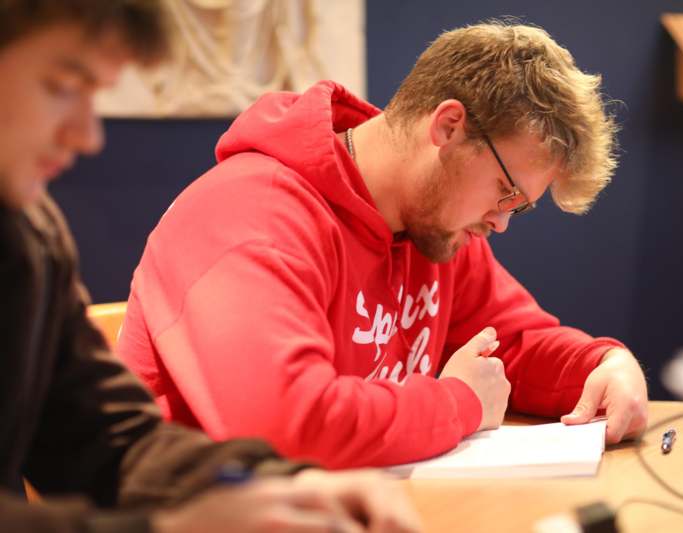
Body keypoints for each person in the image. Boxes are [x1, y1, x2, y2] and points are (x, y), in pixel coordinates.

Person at [118, 21, 649, 469]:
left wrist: (601, 364)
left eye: (520, 206)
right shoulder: (247, 215)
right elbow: (284, 425)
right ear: (448, 126)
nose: (502, 222)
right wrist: (458, 403)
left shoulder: (434, 229)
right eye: (505, 191)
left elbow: (510, 346)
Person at [0, 1, 422, 532]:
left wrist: (284, 484)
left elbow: (110, 439)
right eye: (63, 85)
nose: (87, 136)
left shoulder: (28, 233)